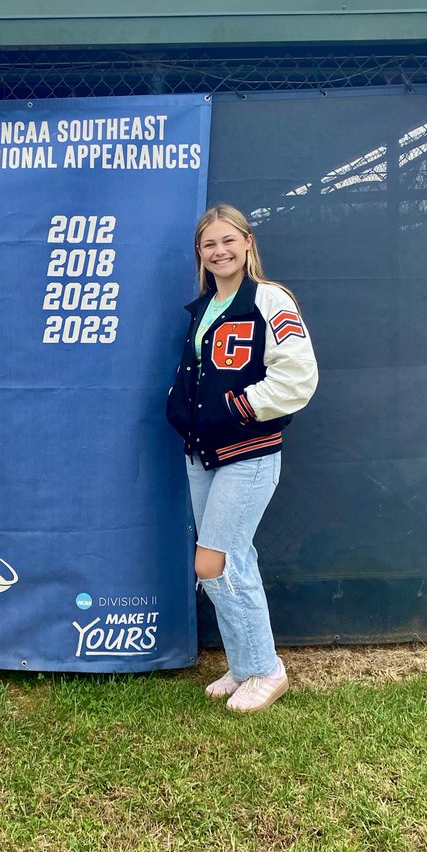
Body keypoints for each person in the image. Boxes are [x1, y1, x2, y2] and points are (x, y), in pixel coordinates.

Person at [166, 205, 318, 712]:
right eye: (209, 244)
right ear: (200, 254)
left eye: (228, 240)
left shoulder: (270, 299)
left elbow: (298, 376)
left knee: (213, 562)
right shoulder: (205, 306)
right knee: (234, 560)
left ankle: (268, 670)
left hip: (247, 452)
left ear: (247, 242)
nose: (219, 251)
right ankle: (244, 663)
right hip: (203, 452)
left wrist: (239, 407)